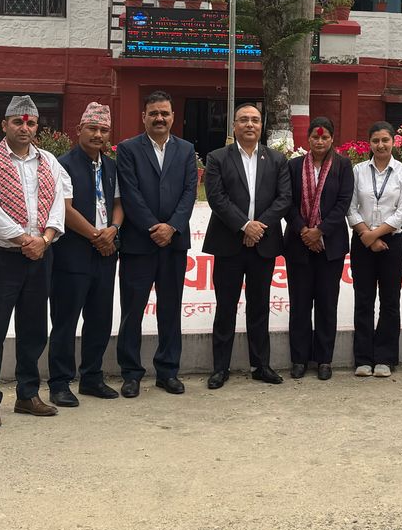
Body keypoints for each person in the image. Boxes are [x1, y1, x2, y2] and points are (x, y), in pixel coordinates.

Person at [0, 95, 70, 427]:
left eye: (30, 123)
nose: (24, 128)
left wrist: (45, 240)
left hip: (41, 256)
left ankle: (28, 395)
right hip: (2, 259)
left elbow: (58, 205)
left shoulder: (49, 161)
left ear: (37, 127)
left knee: (34, 329)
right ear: (4, 125)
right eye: (17, 122)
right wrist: (26, 240)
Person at [114, 90, 196, 397]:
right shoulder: (128, 149)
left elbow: (190, 192)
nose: (159, 118)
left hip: (174, 244)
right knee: (132, 310)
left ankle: (168, 371)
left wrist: (172, 227)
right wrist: (153, 226)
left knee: (170, 309)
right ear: (144, 117)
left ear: (173, 117)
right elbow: (130, 193)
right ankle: (131, 373)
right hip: (139, 243)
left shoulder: (186, 149)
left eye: (164, 113)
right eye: (154, 114)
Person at [203, 104, 291, 389]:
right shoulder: (217, 157)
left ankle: (260, 365)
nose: (250, 124)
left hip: (263, 244)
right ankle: (220, 368)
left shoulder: (276, 159)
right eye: (244, 120)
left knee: (259, 307)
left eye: (255, 120)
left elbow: (284, 198)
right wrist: (244, 226)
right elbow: (216, 198)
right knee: (225, 308)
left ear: (261, 125)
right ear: (234, 125)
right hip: (229, 243)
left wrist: (258, 227)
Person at [48, 102, 124, 408]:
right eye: (92, 128)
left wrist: (113, 229)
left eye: (104, 130)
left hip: (106, 253)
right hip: (72, 255)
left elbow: (118, 203)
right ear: (79, 129)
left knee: (100, 318)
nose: (98, 135)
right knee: (65, 321)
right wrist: (97, 236)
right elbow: (64, 210)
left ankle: (92, 377)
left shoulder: (111, 166)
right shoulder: (62, 165)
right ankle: (59, 383)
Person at [283, 117, 355, 380]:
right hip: (299, 244)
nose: (320, 141)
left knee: (326, 303)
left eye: (325, 137)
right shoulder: (294, 166)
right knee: (300, 304)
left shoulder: (343, 165)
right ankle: (299, 359)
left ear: (332, 139)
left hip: (330, 245)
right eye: (315, 137)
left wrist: (320, 231)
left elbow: (343, 202)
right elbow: (287, 202)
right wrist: (304, 231)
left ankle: (324, 359)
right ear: (309, 139)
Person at [348, 122, 402, 378]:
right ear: (370, 143)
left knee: (390, 300)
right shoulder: (358, 171)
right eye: (375, 140)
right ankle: (363, 358)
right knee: (363, 300)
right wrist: (366, 235)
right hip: (362, 239)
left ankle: (385, 358)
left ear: (393, 142)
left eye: (385, 140)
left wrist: (374, 235)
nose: (380, 145)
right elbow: (350, 207)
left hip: (392, 242)